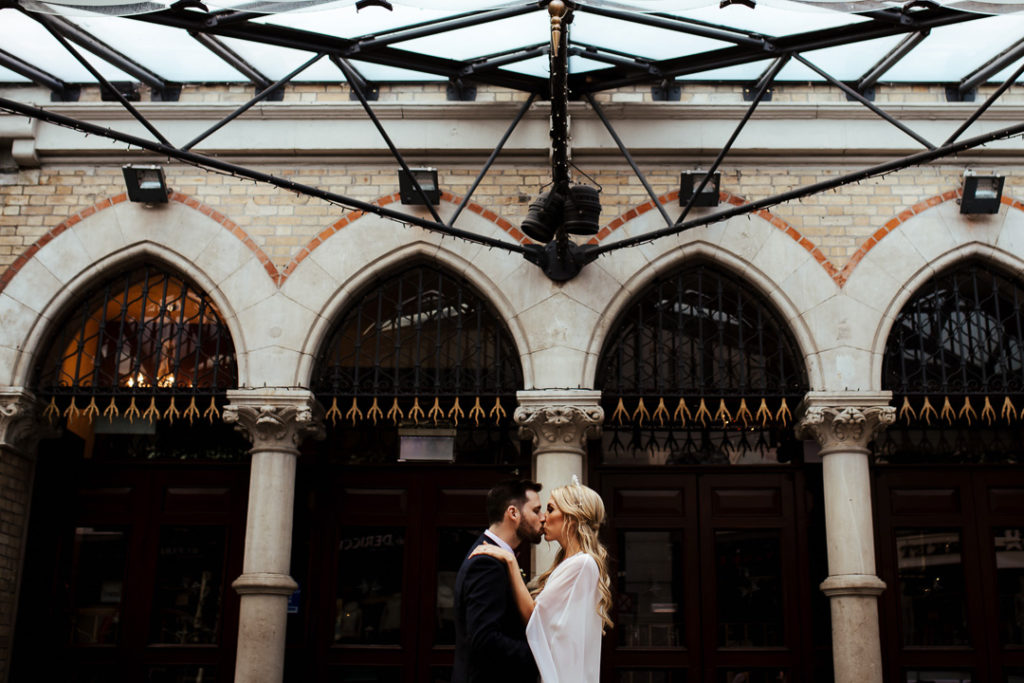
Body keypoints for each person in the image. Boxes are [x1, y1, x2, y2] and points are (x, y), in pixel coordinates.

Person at [471, 477, 613, 683]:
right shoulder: (569, 563)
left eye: (550, 509)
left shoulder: (582, 564)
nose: (544, 518)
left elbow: (535, 618)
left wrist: (510, 561)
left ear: (572, 518)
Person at [452, 479, 546, 683]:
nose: (543, 518)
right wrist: (541, 656)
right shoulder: (487, 564)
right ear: (513, 513)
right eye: (536, 510)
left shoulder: (499, 558)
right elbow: (484, 639)